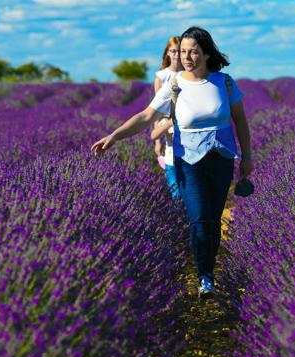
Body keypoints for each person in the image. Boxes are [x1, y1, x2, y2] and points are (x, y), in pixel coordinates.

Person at [91, 26, 253, 299]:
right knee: (199, 218)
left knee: (213, 221)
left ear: (206, 53)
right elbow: (145, 116)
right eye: (183, 52)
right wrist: (114, 136)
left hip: (222, 159)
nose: (187, 57)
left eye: (193, 52)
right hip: (188, 161)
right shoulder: (175, 84)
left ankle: (208, 267)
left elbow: (241, 122)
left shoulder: (224, 82)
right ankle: (205, 276)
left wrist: (247, 157)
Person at [153, 36, 183, 200]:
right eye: (173, 51)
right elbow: (155, 110)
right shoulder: (162, 76)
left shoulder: (189, 74)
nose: (176, 55)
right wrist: (157, 140)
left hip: (186, 122)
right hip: (168, 124)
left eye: (179, 51)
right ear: (167, 54)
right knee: (172, 154)